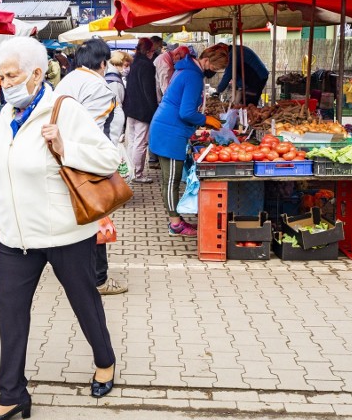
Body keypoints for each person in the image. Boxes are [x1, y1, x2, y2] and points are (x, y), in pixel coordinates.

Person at [0, 37, 119, 420]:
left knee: (83, 301)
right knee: (9, 313)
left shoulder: (64, 109)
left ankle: (105, 362)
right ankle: (12, 395)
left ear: (37, 73)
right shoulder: (6, 113)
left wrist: (65, 146)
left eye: (12, 74)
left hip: (64, 234)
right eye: (0, 75)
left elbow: (111, 158)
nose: (4, 82)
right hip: (15, 238)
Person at [56, 37, 127, 296]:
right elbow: (93, 130)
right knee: (96, 217)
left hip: (65, 158)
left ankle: (76, 273)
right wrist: (104, 163)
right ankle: (98, 279)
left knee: (78, 217)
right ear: (103, 63)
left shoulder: (67, 81)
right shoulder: (98, 87)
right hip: (86, 161)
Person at [149, 44, 228, 237]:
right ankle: (175, 224)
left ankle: (175, 218)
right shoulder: (192, 76)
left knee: (171, 179)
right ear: (207, 61)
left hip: (167, 128)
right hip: (170, 132)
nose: (215, 72)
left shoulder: (186, 69)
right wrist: (205, 120)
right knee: (171, 180)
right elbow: (186, 112)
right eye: (215, 68)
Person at [123, 38, 160, 184]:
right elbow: (149, 91)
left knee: (132, 141)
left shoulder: (134, 62)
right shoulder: (146, 65)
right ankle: (137, 174)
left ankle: (130, 170)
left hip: (131, 108)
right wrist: (153, 110)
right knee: (140, 142)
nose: (153, 54)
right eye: (152, 51)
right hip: (142, 109)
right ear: (149, 51)